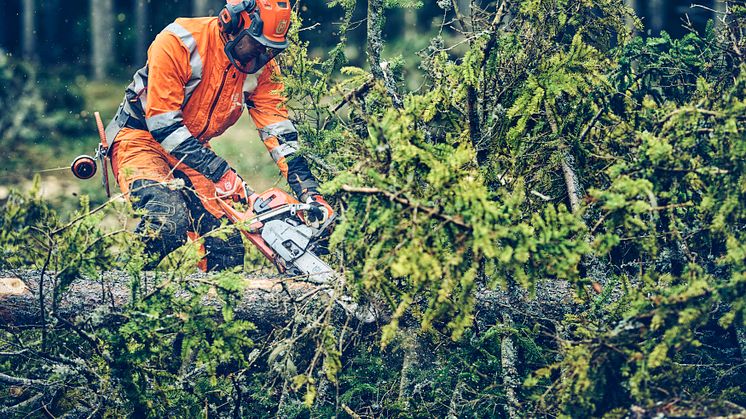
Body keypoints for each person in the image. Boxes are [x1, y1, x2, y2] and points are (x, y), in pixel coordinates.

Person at [104, 0, 333, 271]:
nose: (258, 56)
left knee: (225, 244)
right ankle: (115, 287)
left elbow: (278, 129)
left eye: (267, 50)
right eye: (254, 45)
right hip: (139, 140)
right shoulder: (179, 41)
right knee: (167, 221)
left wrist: (308, 191)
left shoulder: (262, 67)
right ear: (231, 22)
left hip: (192, 149)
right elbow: (163, 124)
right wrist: (222, 173)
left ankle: (208, 308)